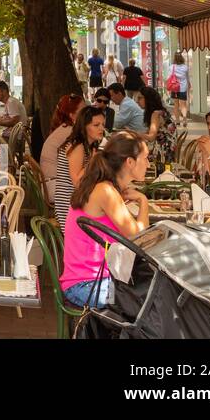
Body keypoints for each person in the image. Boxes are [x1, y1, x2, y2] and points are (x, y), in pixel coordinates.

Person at [60, 132, 150, 308]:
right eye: (145, 158)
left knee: (153, 293)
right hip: (86, 285)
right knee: (151, 303)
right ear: (130, 162)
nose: (148, 163)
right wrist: (143, 201)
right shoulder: (106, 192)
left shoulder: (102, 186)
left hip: (88, 280)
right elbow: (139, 239)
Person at [53, 102, 107, 230]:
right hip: (69, 204)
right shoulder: (78, 146)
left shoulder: (88, 146)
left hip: (78, 199)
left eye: (103, 125)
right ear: (84, 126)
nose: (101, 129)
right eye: (96, 125)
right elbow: (77, 182)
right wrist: (92, 162)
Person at [40, 94, 83, 203]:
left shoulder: (65, 128)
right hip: (55, 188)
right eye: (84, 111)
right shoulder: (71, 133)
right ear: (72, 115)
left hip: (50, 184)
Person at [165, 52, 190, 119]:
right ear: (182, 58)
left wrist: (166, 85)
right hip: (183, 88)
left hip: (174, 88)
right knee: (183, 104)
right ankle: (184, 119)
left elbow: (168, 78)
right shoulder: (185, 67)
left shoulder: (172, 67)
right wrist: (189, 85)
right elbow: (187, 78)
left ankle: (177, 121)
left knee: (176, 104)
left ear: (174, 58)